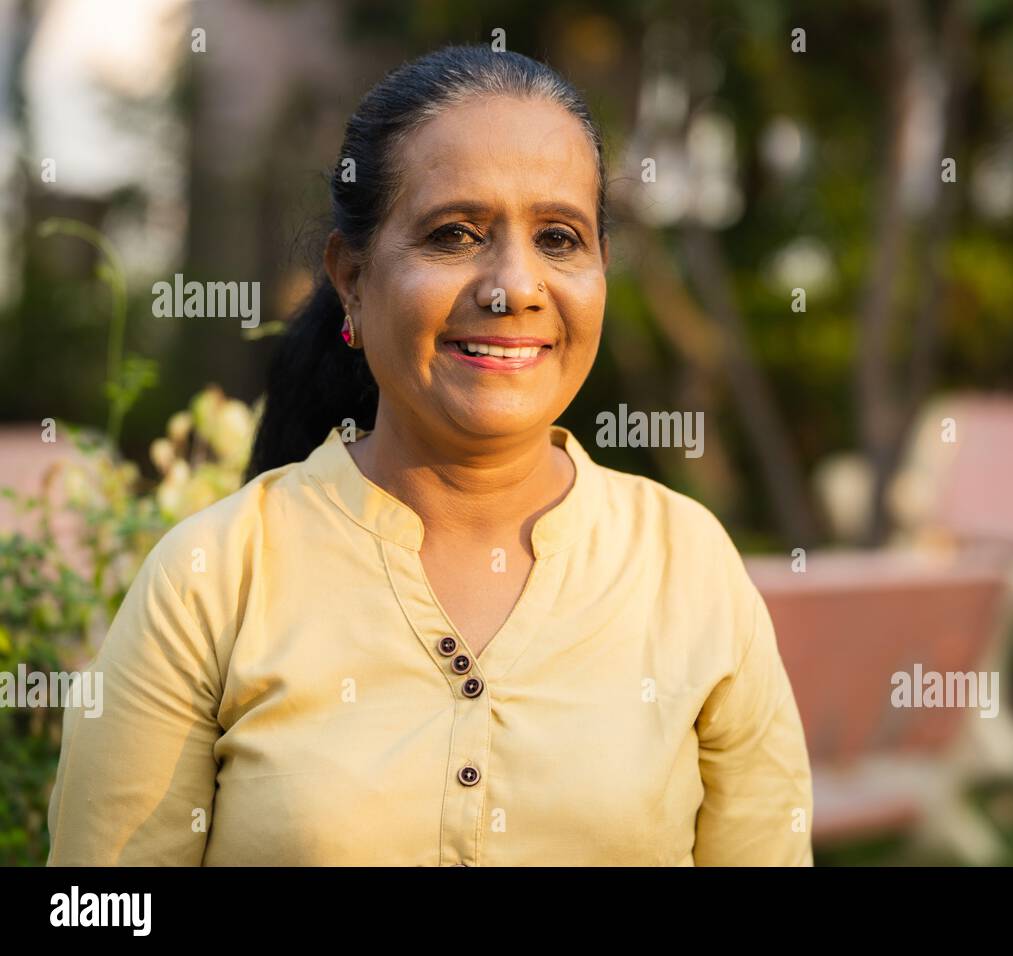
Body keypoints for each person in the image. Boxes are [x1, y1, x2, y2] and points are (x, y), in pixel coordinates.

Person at [46, 43, 814, 866]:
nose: (513, 285)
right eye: (455, 234)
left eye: (559, 238)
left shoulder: (685, 566)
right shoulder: (214, 580)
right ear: (351, 277)